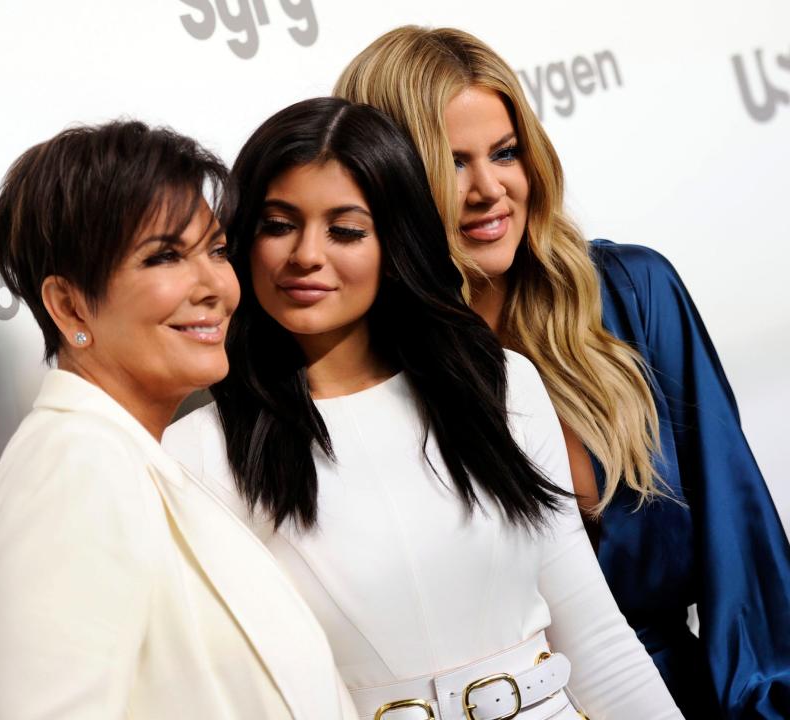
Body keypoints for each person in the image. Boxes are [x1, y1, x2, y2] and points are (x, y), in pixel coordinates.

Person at [164, 97, 682, 720]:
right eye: (279, 225)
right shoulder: (196, 453)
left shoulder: (502, 386)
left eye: (346, 230)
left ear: (396, 241)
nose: (306, 254)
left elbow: (599, 642)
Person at [333, 26, 790, 719]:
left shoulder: (633, 295)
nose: (490, 189)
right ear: (386, 181)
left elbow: (745, 557)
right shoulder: (362, 380)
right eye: (452, 164)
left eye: (505, 153)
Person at [0, 120, 356, 719]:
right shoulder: (76, 466)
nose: (216, 287)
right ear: (70, 304)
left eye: (218, 250)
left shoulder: (133, 457)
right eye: (165, 257)